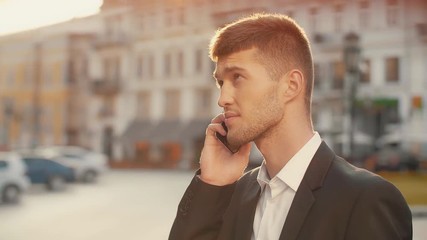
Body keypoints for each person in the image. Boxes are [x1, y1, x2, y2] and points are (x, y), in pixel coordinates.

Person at [169, 13, 412, 240]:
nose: (222, 98)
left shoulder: (366, 200)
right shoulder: (232, 194)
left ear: (291, 85)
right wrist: (212, 183)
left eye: (237, 78)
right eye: (221, 82)